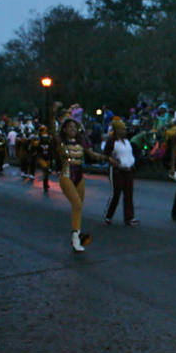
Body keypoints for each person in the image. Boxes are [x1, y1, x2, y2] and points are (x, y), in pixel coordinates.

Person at [49, 102, 115, 252]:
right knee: (77, 204)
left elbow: (92, 154)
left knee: (78, 208)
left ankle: (75, 238)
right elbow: (52, 131)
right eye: (70, 127)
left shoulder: (80, 143)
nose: (73, 129)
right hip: (66, 176)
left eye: (75, 127)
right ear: (64, 129)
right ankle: (75, 238)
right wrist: (53, 112)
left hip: (79, 177)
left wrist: (107, 159)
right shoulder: (61, 143)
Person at [103, 117, 140, 226]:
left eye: (124, 129)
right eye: (122, 129)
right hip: (117, 171)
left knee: (128, 194)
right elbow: (105, 155)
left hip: (128, 170)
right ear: (117, 130)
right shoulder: (112, 142)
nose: (124, 131)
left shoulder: (127, 141)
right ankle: (108, 215)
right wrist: (112, 160)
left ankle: (129, 218)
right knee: (116, 193)